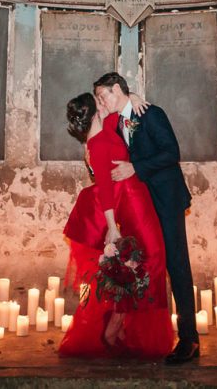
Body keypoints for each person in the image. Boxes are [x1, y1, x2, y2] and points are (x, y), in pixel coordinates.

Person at [93, 72, 199, 365]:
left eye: (103, 95)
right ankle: (140, 332)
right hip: (141, 207)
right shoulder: (119, 120)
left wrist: (134, 168)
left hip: (166, 201)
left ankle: (189, 339)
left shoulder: (150, 114)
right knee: (144, 267)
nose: (101, 101)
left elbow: (171, 152)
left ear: (117, 89)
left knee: (177, 266)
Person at [59, 92, 175, 359]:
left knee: (143, 262)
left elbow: (121, 109)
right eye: (99, 101)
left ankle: (122, 326)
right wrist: (112, 227)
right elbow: (106, 190)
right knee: (150, 260)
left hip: (136, 198)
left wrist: (132, 96)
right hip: (128, 203)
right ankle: (114, 328)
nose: (104, 102)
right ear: (94, 112)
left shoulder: (108, 125)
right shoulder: (97, 144)